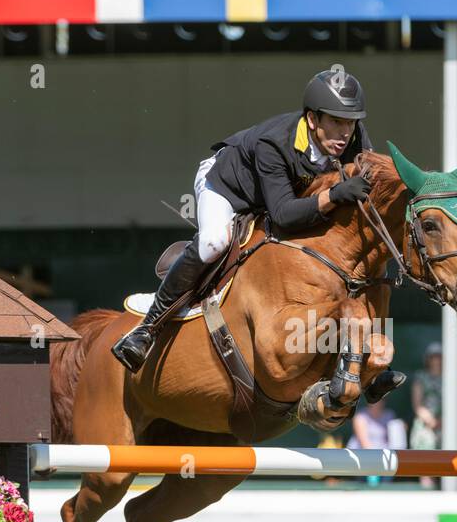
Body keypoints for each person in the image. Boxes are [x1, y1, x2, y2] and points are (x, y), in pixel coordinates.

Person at [112, 66, 375, 372]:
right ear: (313, 119)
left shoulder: (352, 139)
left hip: (278, 197)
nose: (345, 133)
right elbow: (283, 214)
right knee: (215, 242)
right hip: (227, 187)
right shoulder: (274, 143)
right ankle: (148, 328)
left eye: (351, 123)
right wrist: (334, 195)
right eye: (336, 122)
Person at [347, 397, 407, 486]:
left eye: (381, 399)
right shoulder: (360, 417)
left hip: (384, 459)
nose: (378, 402)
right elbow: (365, 444)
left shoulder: (389, 415)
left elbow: (396, 442)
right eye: (375, 399)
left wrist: (401, 429)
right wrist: (376, 463)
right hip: (362, 459)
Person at [409, 342, 443, 488]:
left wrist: (444, 421)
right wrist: (430, 420)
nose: (436, 360)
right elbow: (417, 405)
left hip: (446, 422)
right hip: (426, 422)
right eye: (433, 356)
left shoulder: (452, 377)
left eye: (439, 356)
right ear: (428, 359)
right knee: (424, 440)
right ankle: (427, 484)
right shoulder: (421, 377)